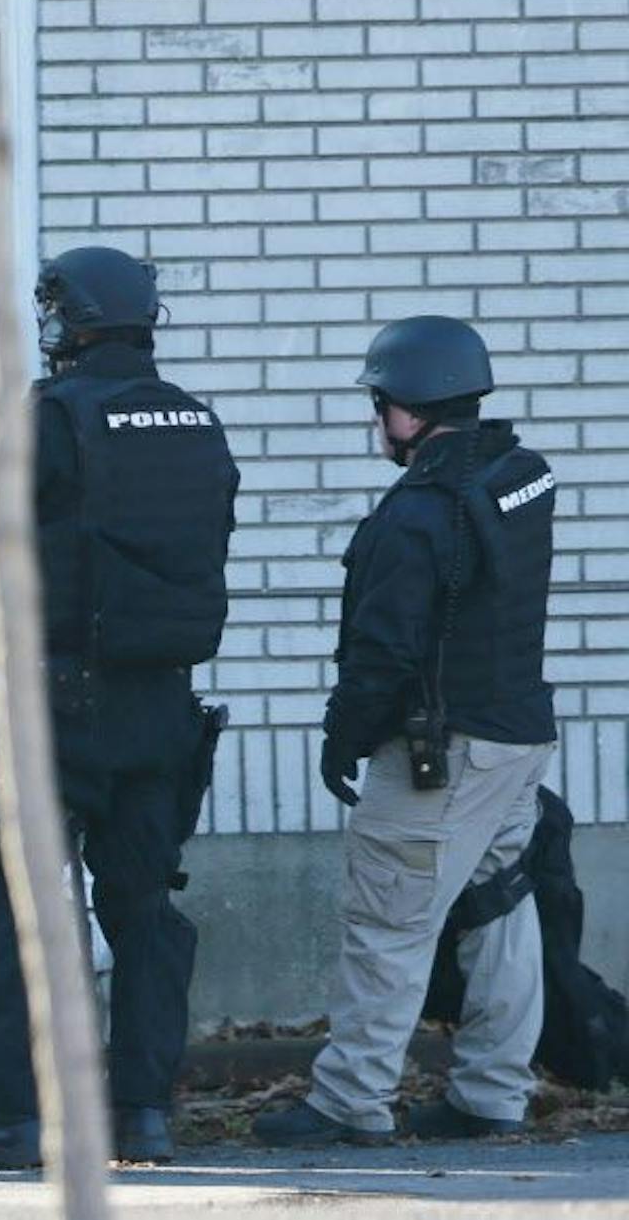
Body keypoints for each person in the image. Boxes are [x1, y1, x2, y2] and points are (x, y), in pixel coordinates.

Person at [0, 246, 239, 1170]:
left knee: (19, 908)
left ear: (62, 321)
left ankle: (16, 1116)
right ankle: (143, 1112)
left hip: (56, 705)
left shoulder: (44, 419)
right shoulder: (197, 421)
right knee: (144, 911)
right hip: (165, 709)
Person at [255, 316, 559, 1146]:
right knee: (499, 903)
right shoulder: (519, 475)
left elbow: (382, 653)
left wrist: (341, 737)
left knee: (387, 918)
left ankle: (351, 1098)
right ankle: (493, 1093)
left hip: (443, 750)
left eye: (381, 403)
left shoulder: (418, 514)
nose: (377, 420)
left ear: (410, 410)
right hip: (518, 736)